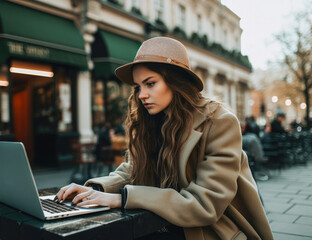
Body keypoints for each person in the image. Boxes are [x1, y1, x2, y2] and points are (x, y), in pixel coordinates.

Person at [55, 37, 273, 240]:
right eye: (138, 87)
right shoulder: (151, 120)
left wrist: (122, 198)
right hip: (157, 224)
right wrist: (97, 190)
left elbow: (205, 205)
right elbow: (132, 170)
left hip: (207, 232)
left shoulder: (219, 122)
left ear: (175, 81)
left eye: (150, 83)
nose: (141, 95)